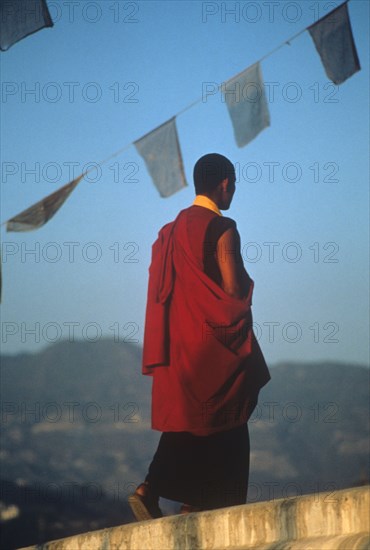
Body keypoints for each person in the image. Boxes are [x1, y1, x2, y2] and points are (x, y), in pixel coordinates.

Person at [128, 153, 270, 521]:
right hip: (212, 346)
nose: (234, 192)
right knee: (232, 415)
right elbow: (234, 290)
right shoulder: (222, 228)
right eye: (234, 185)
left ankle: (161, 490)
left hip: (178, 348)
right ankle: (204, 503)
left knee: (194, 422)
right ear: (224, 183)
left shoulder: (169, 231)